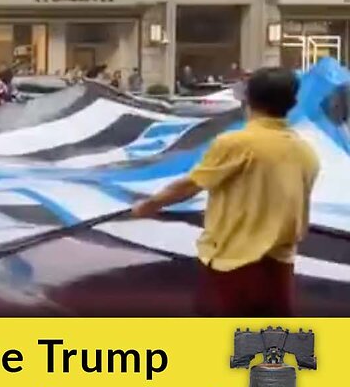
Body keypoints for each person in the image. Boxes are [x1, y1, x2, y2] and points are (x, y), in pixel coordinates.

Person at [131, 67, 320, 316]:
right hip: (281, 266)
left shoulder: (235, 144)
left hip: (233, 264)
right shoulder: (305, 152)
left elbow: (190, 185)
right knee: (270, 348)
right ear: (292, 103)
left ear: (247, 100)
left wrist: (148, 205)